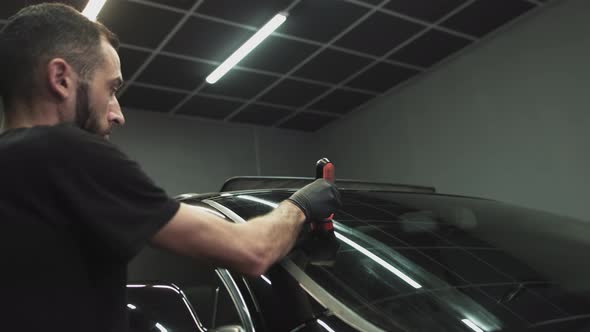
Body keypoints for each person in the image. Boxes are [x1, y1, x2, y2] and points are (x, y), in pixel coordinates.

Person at [0, 3, 341, 331]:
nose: (118, 114)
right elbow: (252, 250)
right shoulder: (66, 152)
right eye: (111, 88)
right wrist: (301, 207)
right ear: (61, 78)